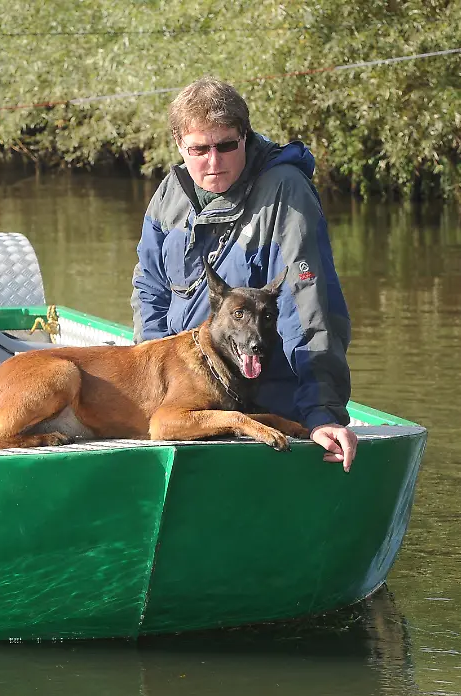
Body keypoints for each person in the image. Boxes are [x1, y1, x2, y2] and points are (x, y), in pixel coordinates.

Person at [131, 77, 358, 471]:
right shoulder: (169, 192)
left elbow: (309, 311)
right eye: (199, 149)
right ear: (179, 145)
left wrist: (322, 414)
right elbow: (149, 291)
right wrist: (154, 388)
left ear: (245, 136)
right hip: (187, 402)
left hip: (266, 402)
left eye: (225, 146)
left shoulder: (287, 191)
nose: (213, 161)